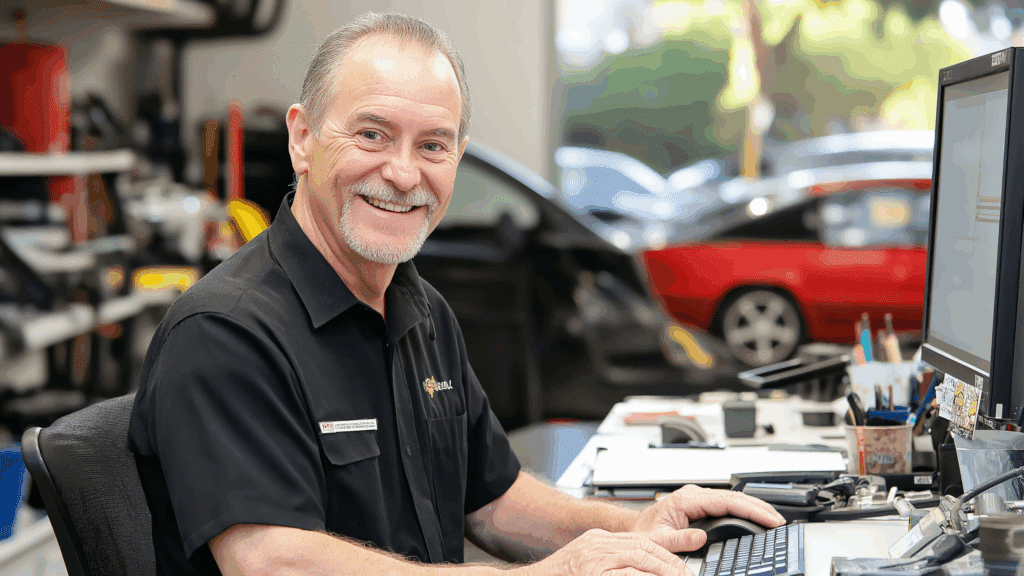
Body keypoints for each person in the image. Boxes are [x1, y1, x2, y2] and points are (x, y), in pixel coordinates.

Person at [127, 12, 786, 576]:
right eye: (371, 134)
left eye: (433, 145)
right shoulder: (225, 333)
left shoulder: (421, 312)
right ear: (303, 139)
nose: (403, 172)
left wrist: (634, 527)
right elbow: (271, 561)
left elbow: (492, 501)